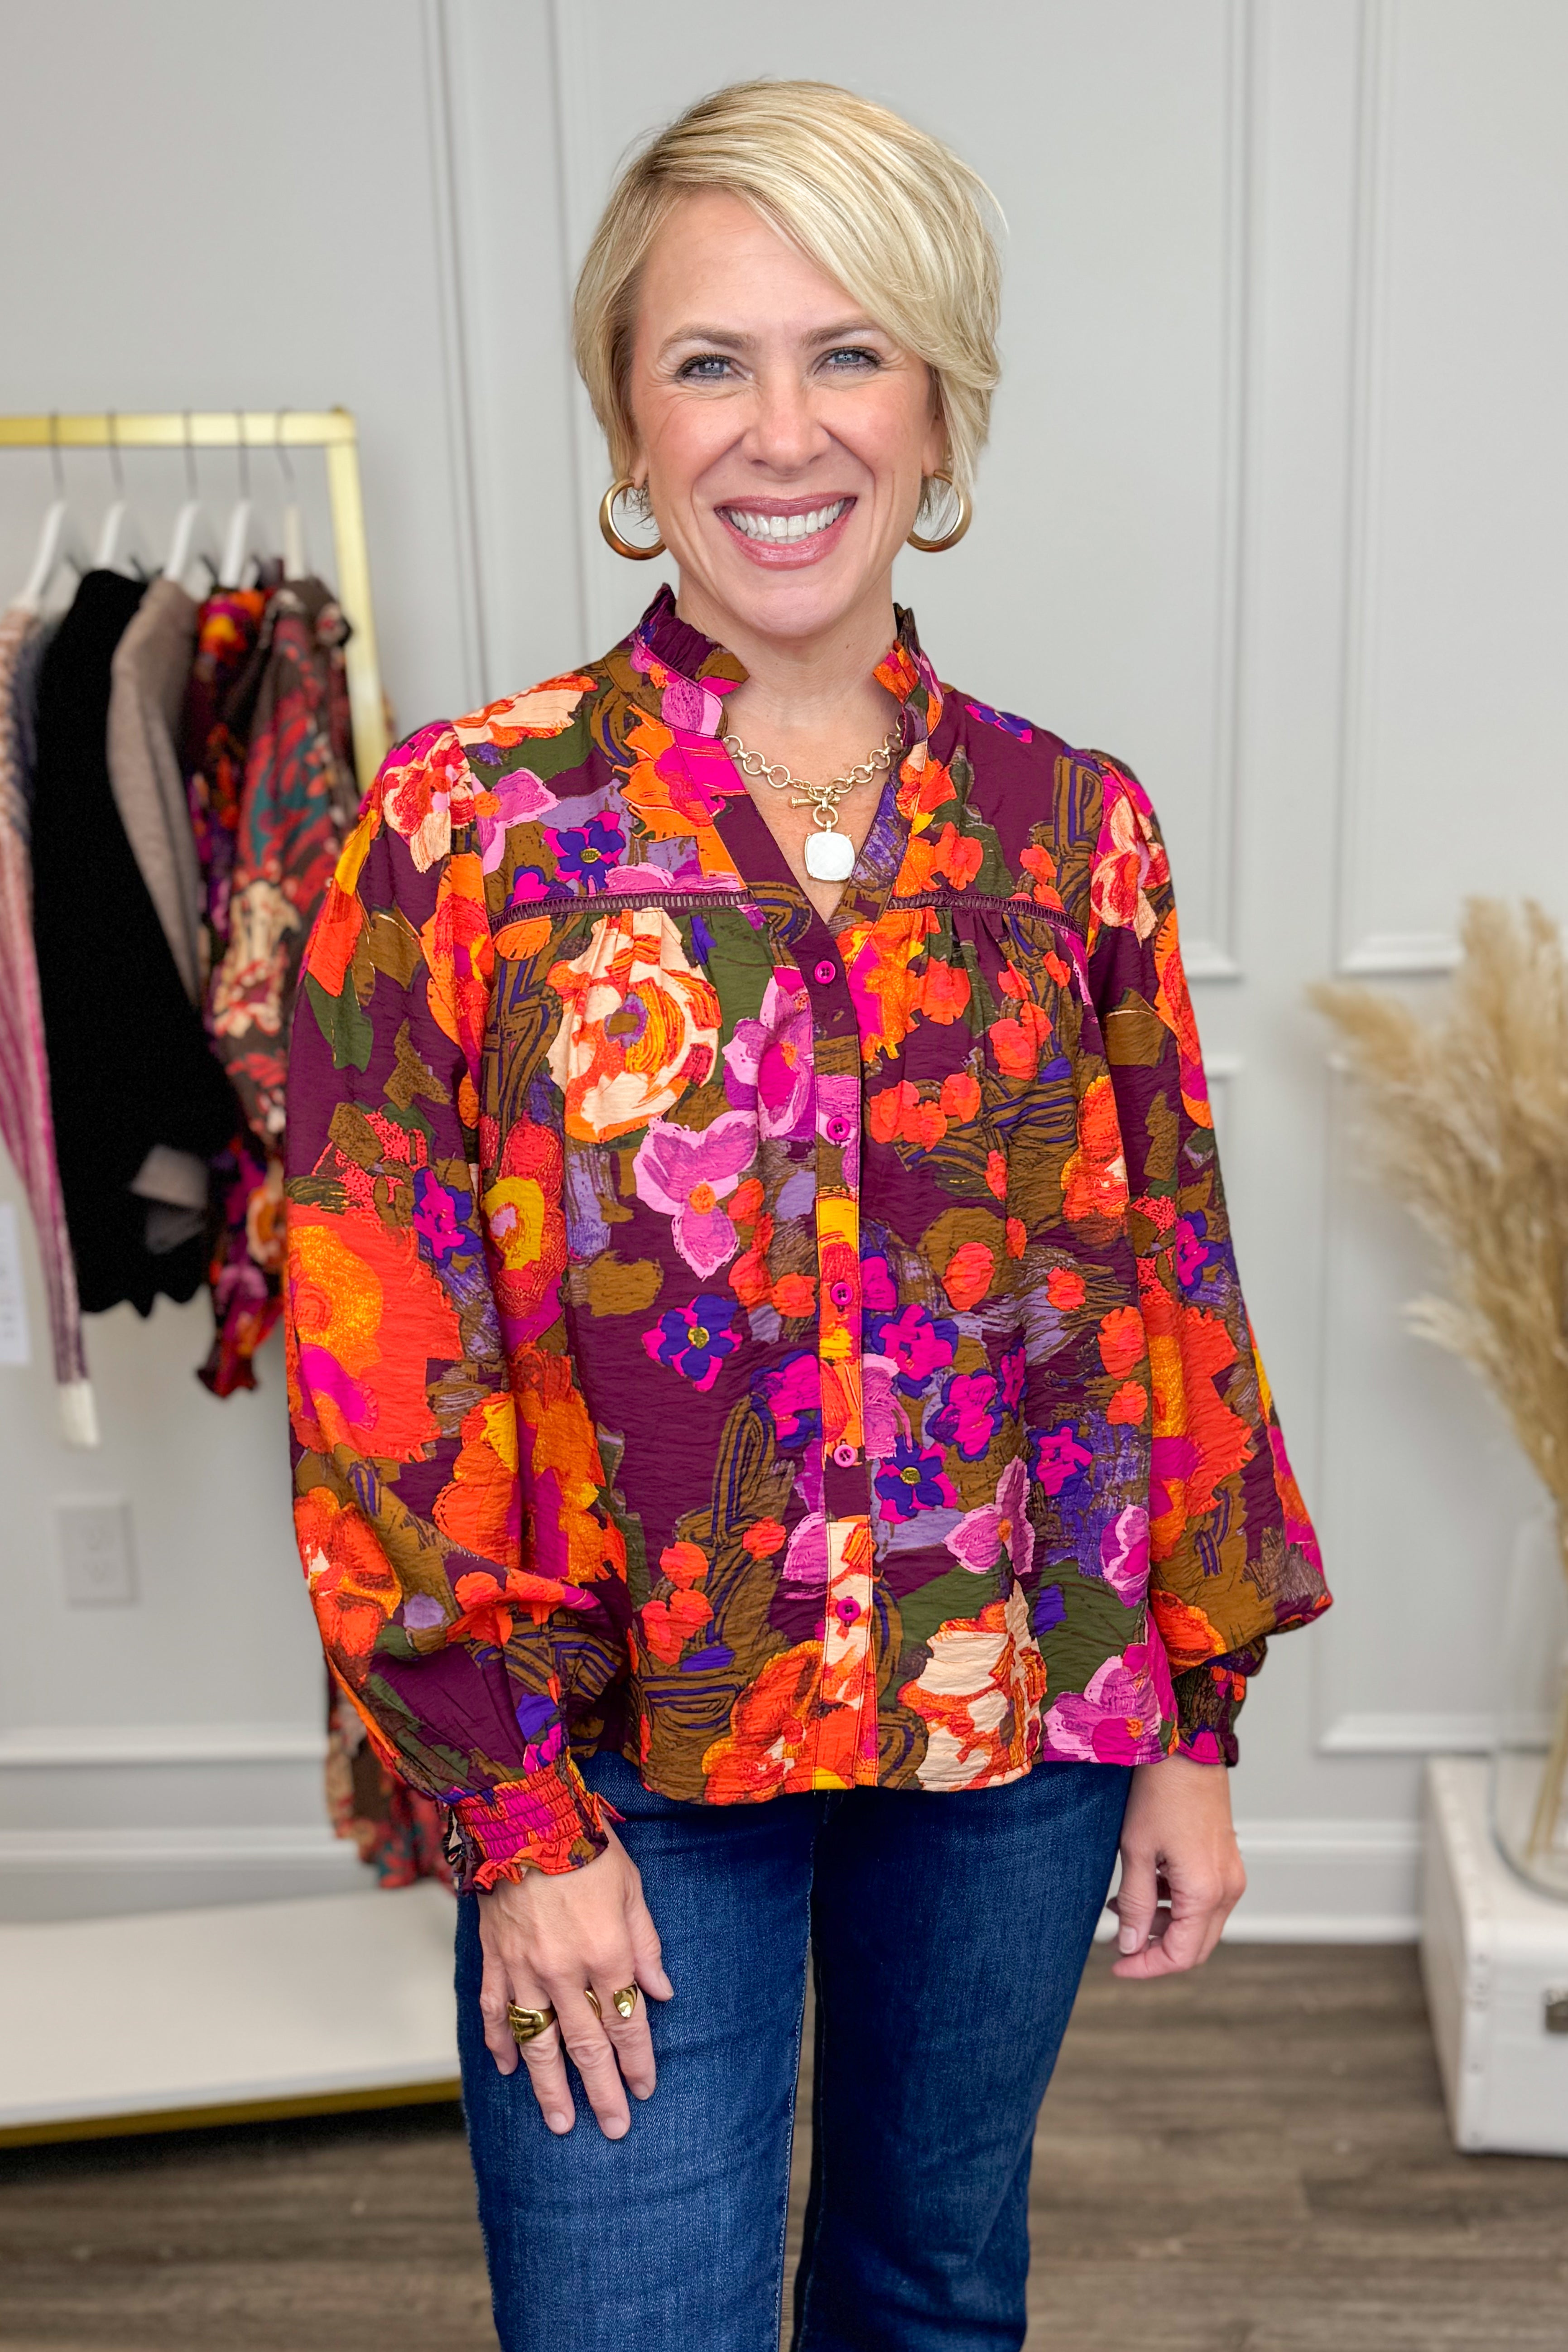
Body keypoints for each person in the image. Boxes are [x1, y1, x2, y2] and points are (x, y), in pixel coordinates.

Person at [284, 78, 1330, 2352]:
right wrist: (505, 1811)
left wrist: (1188, 1721)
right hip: (621, 1757)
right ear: (624, 416)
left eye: (846, 352)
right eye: (707, 360)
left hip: (1011, 1745)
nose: (783, 430)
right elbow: (380, 1344)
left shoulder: (1075, 831)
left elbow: (1168, 1297)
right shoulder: (465, 829)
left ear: (937, 407)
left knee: (929, 2292)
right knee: (626, 2323)